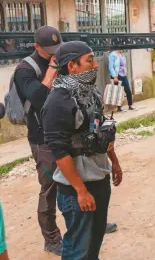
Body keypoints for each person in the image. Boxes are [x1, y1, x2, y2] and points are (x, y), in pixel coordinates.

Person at [41, 41, 123, 259]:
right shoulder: (58, 101)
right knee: (78, 248)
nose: (96, 65)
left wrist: (113, 161)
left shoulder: (90, 92)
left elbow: (101, 128)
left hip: (98, 179)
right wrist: (80, 191)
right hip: (77, 188)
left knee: (94, 242)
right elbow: (59, 152)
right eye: (90, 60)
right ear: (72, 66)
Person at [13, 25, 63, 255]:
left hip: (64, 132)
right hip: (42, 139)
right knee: (50, 187)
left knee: (80, 178)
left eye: (57, 47)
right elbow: (40, 99)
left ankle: (86, 224)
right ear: (36, 47)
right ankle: (51, 239)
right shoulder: (24, 69)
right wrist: (52, 70)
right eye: (49, 50)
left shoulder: (59, 58)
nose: (54, 52)